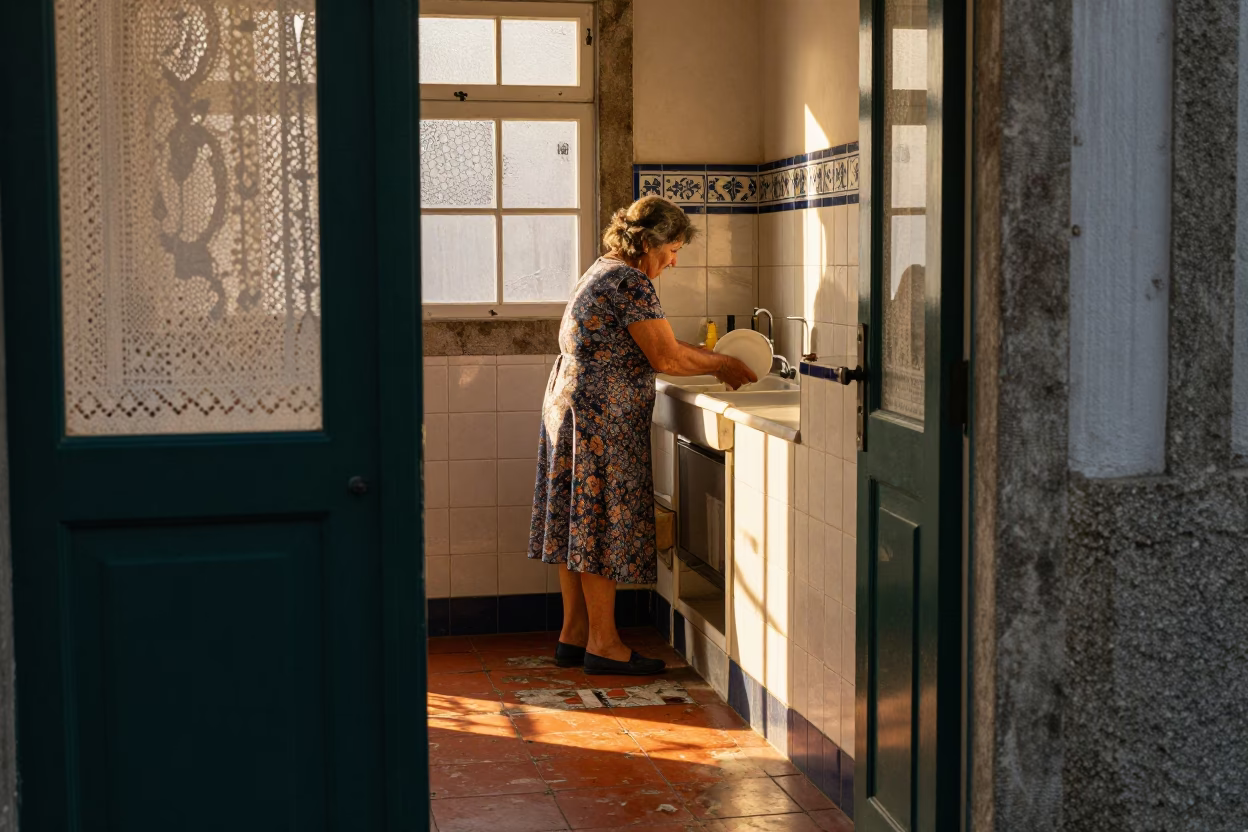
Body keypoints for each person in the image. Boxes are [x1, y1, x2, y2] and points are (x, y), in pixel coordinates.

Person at [528, 196, 757, 675]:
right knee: (598, 525)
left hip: (572, 407)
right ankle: (604, 645)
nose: (673, 262)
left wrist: (713, 360)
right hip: (600, 417)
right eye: (672, 250)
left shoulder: (604, 269)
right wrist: (722, 364)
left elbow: (660, 342)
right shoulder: (631, 281)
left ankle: (574, 634)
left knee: (577, 521)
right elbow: (666, 358)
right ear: (649, 242)